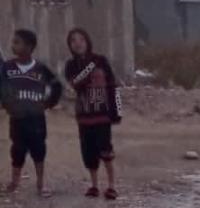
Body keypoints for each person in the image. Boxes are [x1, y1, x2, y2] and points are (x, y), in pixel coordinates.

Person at [1, 29, 62, 197]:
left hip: (36, 119)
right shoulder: (7, 68)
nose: (13, 45)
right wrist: (6, 103)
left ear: (29, 47)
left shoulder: (40, 68)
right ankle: (14, 182)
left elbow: (57, 85)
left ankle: (41, 184)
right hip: (17, 118)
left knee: (38, 150)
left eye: (17, 42)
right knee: (17, 150)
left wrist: (49, 103)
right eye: (13, 42)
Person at [64, 27, 122, 199]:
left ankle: (112, 186)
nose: (77, 43)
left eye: (81, 39)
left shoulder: (101, 60)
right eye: (73, 41)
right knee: (88, 153)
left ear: (87, 41)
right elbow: (75, 83)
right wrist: (89, 67)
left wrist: (116, 111)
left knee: (106, 151)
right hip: (84, 116)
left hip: (102, 115)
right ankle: (94, 185)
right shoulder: (70, 65)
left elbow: (112, 85)